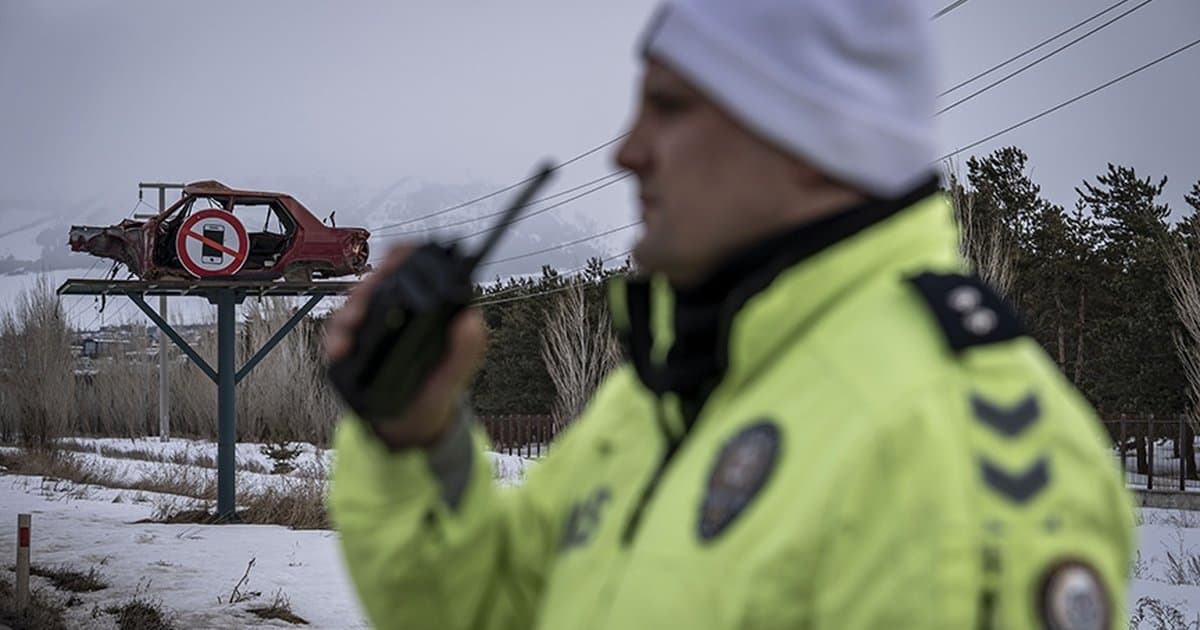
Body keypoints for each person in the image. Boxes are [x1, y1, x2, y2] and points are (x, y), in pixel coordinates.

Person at [326, 0, 1135, 628]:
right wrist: (417, 434)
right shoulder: (669, 389)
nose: (626, 150)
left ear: (817, 136)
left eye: (671, 108)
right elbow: (494, 610)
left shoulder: (948, 449)